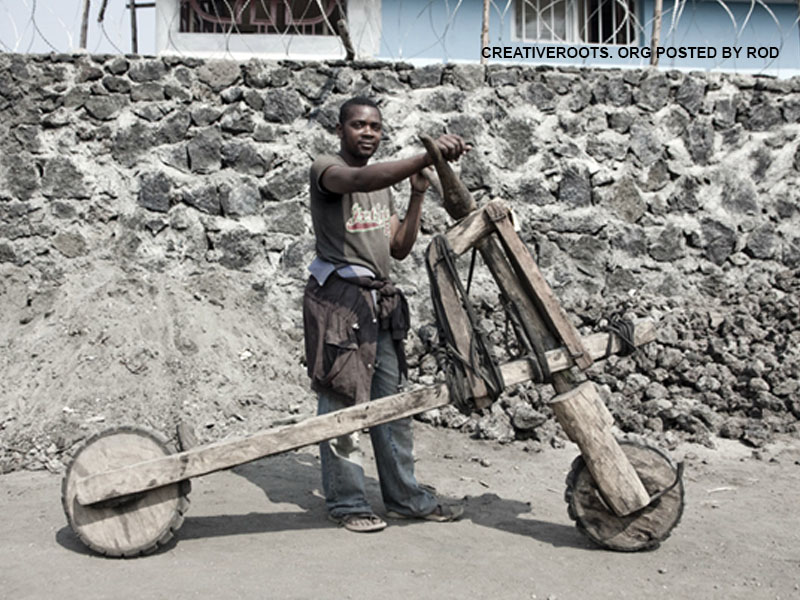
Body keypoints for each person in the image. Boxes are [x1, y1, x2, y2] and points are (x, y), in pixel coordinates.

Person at [302, 96, 469, 533]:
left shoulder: (387, 184)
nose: (368, 132)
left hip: (377, 304)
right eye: (358, 125)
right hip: (339, 302)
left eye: (375, 126)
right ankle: (347, 502)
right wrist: (426, 156)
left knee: (392, 406)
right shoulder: (326, 169)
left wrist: (416, 195)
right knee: (341, 402)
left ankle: (405, 499)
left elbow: (397, 246)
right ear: (340, 131)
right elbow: (360, 177)